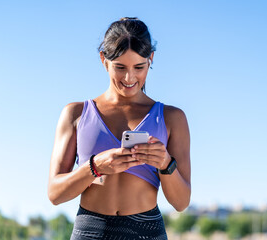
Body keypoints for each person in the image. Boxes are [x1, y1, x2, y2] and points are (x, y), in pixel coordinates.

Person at [48, 17, 191, 239]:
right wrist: (95, 166)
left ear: (150, 58)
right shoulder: (75, 114)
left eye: (139, 67)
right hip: (90, 230)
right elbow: (55, 194)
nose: (129, 77)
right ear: (104, 60)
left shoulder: (172, 118)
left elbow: (181, 203)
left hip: (147, 231)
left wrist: (165, 163)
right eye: (120, 67)